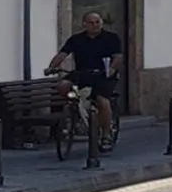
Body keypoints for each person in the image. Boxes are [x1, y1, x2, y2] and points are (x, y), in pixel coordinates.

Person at [46, 12, 122, 150]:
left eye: (97, 22)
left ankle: (106, 135)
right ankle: (74, 112)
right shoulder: (76, 39)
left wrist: (112, 68)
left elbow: (118, 57)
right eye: (91, 23)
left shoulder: (111, 38)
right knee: (62, 86)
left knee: (101, 99)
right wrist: (52, 67)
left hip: (103, 75)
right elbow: (62, 54)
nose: (95, 25)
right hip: (82, 73)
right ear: (84, 24)